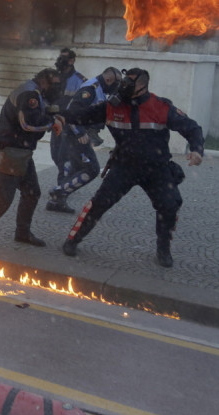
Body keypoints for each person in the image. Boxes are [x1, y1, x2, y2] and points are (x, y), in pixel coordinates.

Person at [61, 68, 204, 267]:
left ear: (142, 86)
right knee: (99, 203)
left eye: (130, 83)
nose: (124, 86)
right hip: (124, 166)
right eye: (124, 81)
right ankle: (73, 240)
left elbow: (192, 128)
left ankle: (163, 250)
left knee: (170, 205)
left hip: (156, 169)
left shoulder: (161, 106)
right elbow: (81, 116)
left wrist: (197, 149)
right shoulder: (111, 107)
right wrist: (58, 112)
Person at [0, 68, 64, 251]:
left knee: (32, 192)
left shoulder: (33, 91)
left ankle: (22, 233)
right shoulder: (29, 93)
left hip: (21, 153)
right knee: (3, 199)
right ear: (44, 81)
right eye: (54, 84)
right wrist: (52, 124)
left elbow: (35, 117)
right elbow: (27, 124)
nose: (56, 88)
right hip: (10, 154)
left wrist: (51, 116)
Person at [46, 67, 122, 213]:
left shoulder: (99, 88)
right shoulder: (91, 89)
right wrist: (80, 132)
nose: (115, 88)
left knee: (75, 166)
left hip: (77, 133)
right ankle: (58, 192)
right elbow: (72, 111)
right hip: (75, 134)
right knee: (91, 168)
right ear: (108, 80)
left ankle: (57, 200)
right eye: (115, 84)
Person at [49, 48, 87, 184]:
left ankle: (61, 190)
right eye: (60, 57)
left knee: (63, 156)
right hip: (55, 123)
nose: (60, 61)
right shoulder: (54, 78)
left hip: (70, 125)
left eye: (63, 58)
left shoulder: (79, 81)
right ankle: (71, 173)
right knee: (55, 154)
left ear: (71, 61)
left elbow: (83, 106)